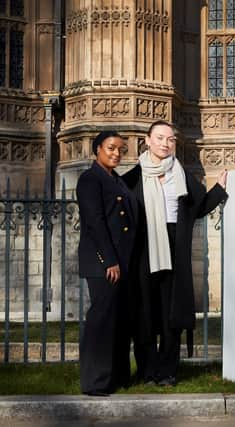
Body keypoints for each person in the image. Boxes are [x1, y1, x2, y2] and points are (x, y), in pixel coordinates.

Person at [123, 120, 228, 386]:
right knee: (145, 311)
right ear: (147, 140)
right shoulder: (133, 178)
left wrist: (220, 188)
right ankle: (148, 371)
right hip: (145, 250)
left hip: (175, 248)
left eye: (170, 139)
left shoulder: (179, 174)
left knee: (172, 314)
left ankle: (168, 371)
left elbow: (199, 205)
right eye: (160, 138)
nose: (165, 143)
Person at [77, 131, 138, 396]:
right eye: (111, 148)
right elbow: (95, 222)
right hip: (104, 264)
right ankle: (95, 382)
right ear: (97, 148)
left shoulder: (116, 180)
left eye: (121, 150)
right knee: (101, 322)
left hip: (121, 263)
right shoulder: (90, 179)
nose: (116, 153)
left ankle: (117, 377)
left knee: (119, 321)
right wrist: (110, 261)